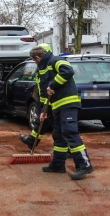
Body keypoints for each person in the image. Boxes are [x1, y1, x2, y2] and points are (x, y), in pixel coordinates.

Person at [29, 46, 94, 180]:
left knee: (69, 132)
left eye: (35, 61)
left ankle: (84, 165)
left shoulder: (55, 60)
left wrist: (53, 85)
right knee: (58, 135)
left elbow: (68, 71)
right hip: (57, 106)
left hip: (68, 103)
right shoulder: (45, 67)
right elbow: (46, 92)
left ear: (38, 58)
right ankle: (58, 164)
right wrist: (43, 111)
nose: (36, 64)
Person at [19, 43, 54, 149]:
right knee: (42, 121)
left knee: (59, 127)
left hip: (55, 101)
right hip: (48, 100)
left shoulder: (49, 67)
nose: (35, 62)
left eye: (35, 59)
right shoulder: (42, 67)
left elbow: (46, 87)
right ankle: (32, 140)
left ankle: (66, 149)